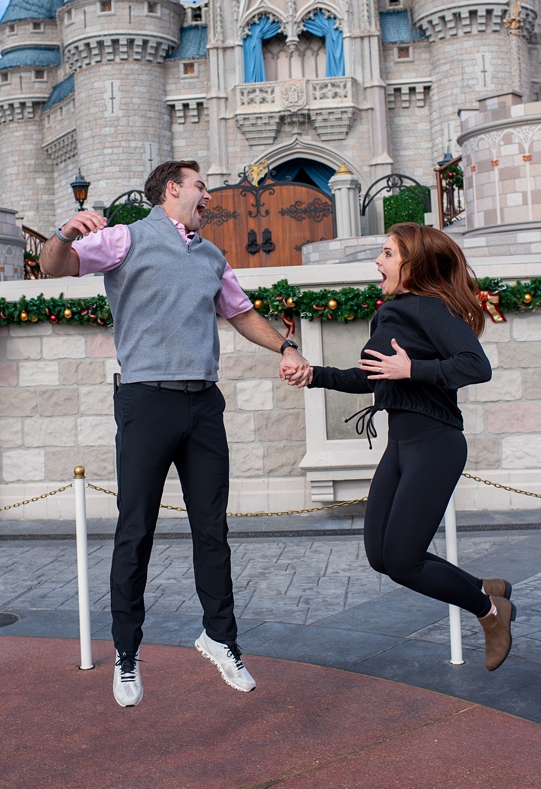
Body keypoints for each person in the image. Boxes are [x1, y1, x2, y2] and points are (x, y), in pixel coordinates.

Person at [39, 160, 311, 707]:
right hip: (145, 401)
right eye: (201, 186)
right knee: (134, 529)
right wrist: (68, 229)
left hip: (203, 406)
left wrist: (285, 345)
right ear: (172, 189)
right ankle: (126, 652)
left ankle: (220, 638)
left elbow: (241, 313)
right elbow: (53, 267)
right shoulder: (124, 240)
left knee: (213, 529)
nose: (208, 195)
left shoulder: (212, 256)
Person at [288, 222, 514, 670]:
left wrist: (414, 371)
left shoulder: (430, 308)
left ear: (413, 264)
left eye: (388, 253)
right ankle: (484, 587)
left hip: (435, 443)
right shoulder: (389, 313)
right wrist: (314, 374)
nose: (378, 260)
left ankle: (490, 613)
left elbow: (476, 366)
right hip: (401, 446)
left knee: (405, 560)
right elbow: (369, 377)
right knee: (381, 556)